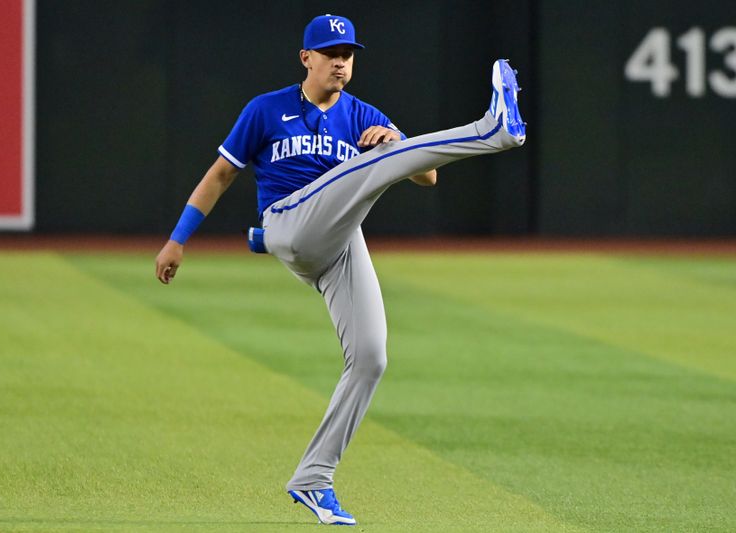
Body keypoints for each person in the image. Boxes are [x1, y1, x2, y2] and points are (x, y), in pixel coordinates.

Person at [155, 14, 525, 526]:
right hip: (288, 220)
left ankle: (312, 479)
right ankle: (492, 131)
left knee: (371, 358)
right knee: (366, 168)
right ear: (306, 58)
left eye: (347, 54)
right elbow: (220, 175)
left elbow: (429, 177)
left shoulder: (362, 114)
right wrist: (177, 240)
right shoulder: (266, 110)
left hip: (336, 242)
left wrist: (393, 138)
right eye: (330, 52)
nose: (340, 62)